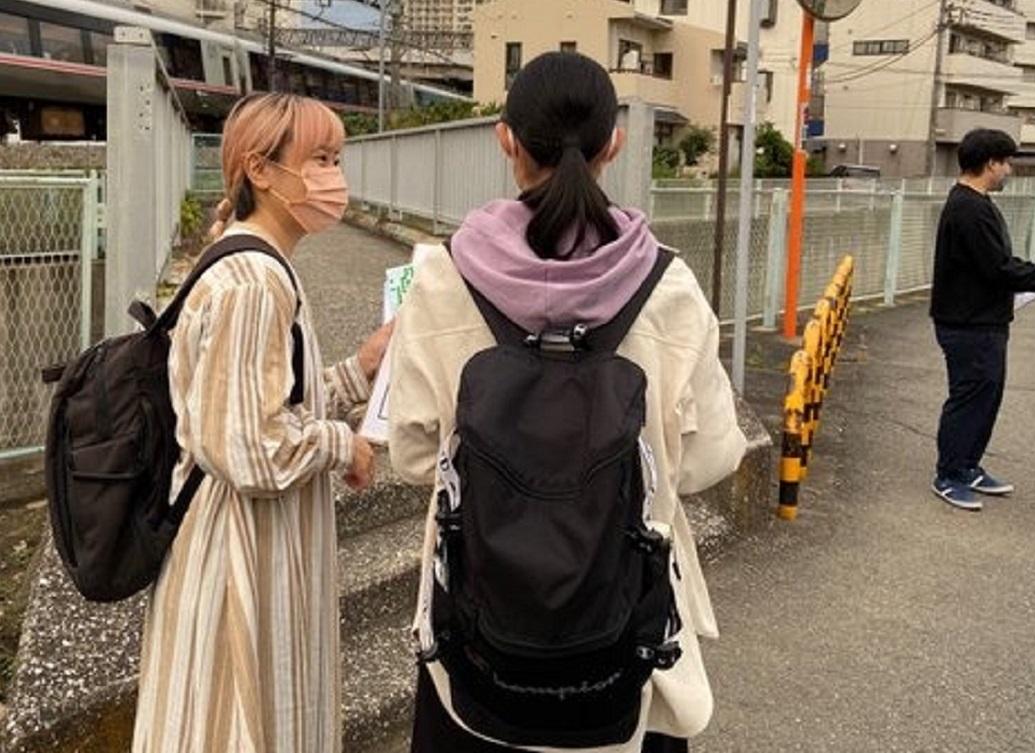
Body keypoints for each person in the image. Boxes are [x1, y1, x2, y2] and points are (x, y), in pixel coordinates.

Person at [385, 53, 747, 752]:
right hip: (624, 638)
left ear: (506, 140)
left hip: (476, 633)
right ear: (616, 144)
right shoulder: (668, 284)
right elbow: (709, 459)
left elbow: (413, 455)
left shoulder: (441, 276)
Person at [131, 93, 392, 753]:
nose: (334, 177)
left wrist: (359, 369)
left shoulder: (254, 262)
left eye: (338, 159)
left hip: (245, 541)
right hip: (237, 555)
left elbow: (263, 402)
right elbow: (251, 446)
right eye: (320, 159)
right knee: (235, 721)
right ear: (261, 169)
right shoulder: (254, 282)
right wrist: (345, 445)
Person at [929, 128, 1035, 511]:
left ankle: (968, 465)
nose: (1009, 171)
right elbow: (1000, 268)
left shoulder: (975, 204)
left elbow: (996, 266)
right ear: (990, 164)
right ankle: (949, 473)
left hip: (982, 320)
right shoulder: (969, 209)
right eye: (1006, 163)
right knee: (969, 397)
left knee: (987, 395)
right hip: (968, 323)